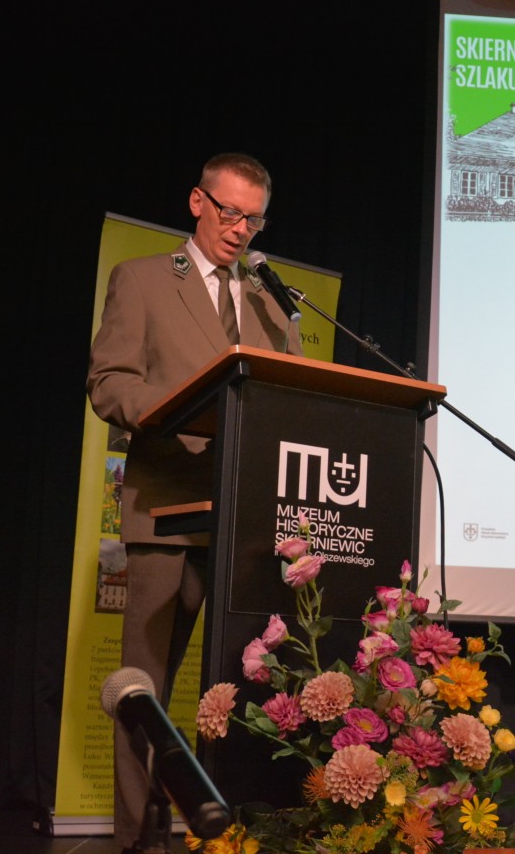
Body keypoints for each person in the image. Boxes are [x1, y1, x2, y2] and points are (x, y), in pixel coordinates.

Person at [87, 152, 303, 852]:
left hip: (248, 523)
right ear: (197, 202)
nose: (241, 229)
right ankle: (140, 841)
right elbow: (110, 383)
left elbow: (289, 400)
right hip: (168, 513)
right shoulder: (145, 279)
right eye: (230, 212)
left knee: (254, 692)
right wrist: (175, 408)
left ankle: (242, 833)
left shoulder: (272, 301)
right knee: (143, 693)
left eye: (254, 219)